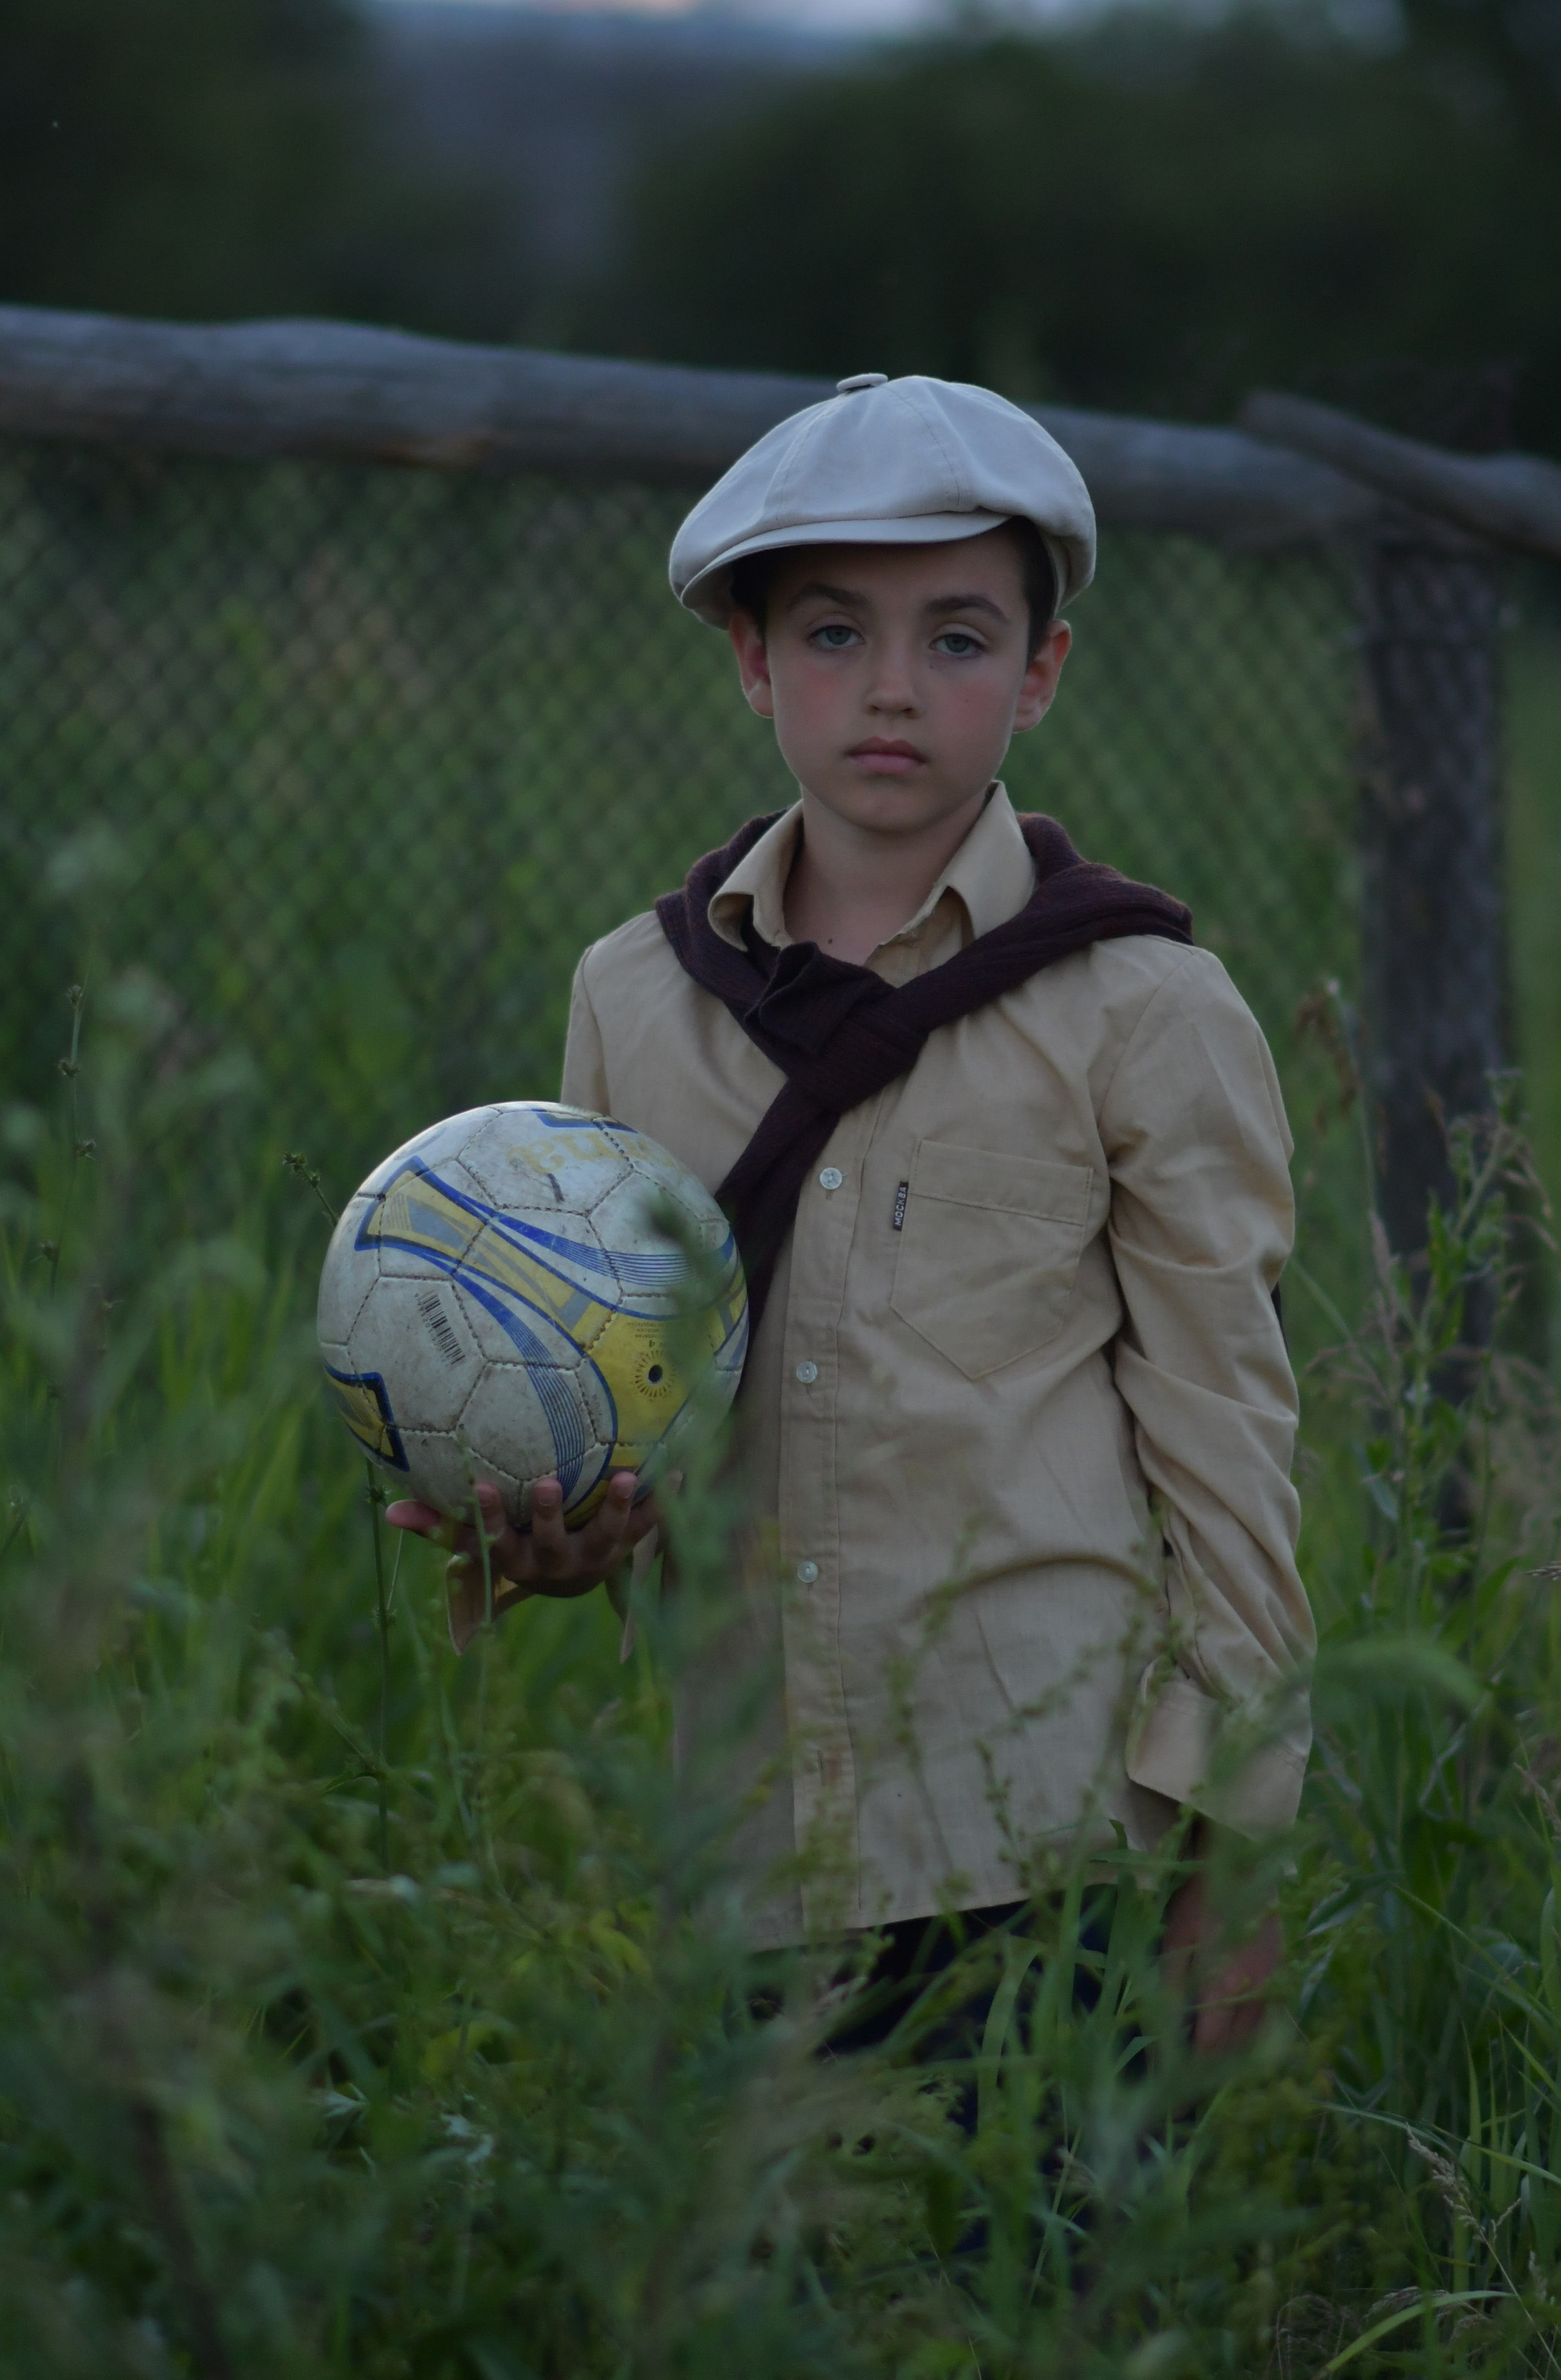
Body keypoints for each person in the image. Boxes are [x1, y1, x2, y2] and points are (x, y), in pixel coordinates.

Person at [388, 373, 1313, 2052]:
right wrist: (574, 1533)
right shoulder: (634, 999)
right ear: (749, 659)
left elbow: (1225, 1443)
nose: (891, 690)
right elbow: (618, 1387)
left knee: (1043, 2298)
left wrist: (1221, 1850)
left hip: (1043, 1842)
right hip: (742, 1848)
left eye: (957, 639)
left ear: (1038, 669)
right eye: (831, 635)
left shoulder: (1143, 1006)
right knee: (769, 2300)